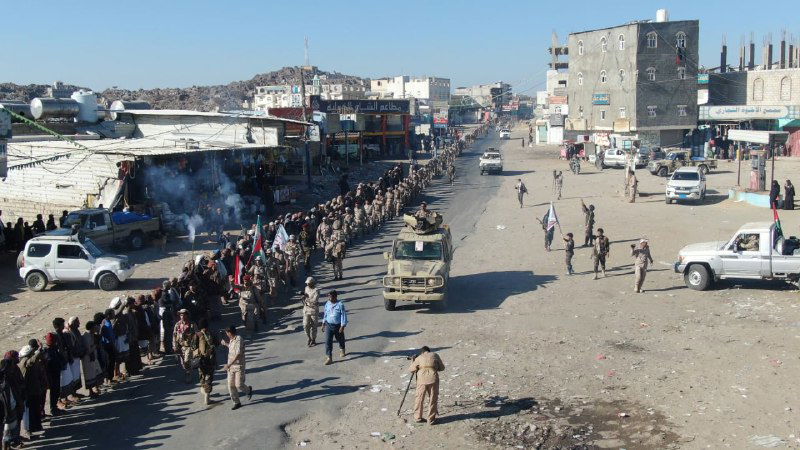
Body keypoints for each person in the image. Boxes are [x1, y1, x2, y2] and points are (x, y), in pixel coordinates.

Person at [407, 346, 445, 425]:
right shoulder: (435, 355)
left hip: (421, 380)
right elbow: (442, 368)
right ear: (429, 351)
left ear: (422, 352)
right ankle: (431, 419)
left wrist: (413, 361)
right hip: (433, 379)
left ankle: (417, 417)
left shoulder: (419, 357)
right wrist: (434, 367)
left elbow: (411, 369)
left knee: (419, 398)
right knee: (433, 399)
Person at [221, 326, 252, 410]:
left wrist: (229, 364)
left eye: (227, 333)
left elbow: (238, 354)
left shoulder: (239, 339)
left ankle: (248, 390)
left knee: (238, 384)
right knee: (231, 385)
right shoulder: (231, 340)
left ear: (230, 332)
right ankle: (236, 402)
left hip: (238, 365)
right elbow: (232, 348)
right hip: (231, 367)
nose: (227, 335)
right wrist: (225, 344)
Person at [322, 291, 347, 366]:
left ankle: (342, 349)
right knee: (328, 341)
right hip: (329, 325)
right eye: (329, 297)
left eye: (331, 297)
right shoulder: (327, 304)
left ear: (335, 297)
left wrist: (342, 326)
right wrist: (323, 323)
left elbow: (343, 316)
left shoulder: (340, 305)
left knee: (340, 339)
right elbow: (325, 313)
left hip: (338, 326)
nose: (329, 298)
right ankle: (329, 357)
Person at [195, 319, 216, 406]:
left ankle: (205, 393)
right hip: (210, 359)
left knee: (202, 377)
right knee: (209, 377)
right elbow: (216, 343)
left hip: (201, 359)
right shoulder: (212, 333)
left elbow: (193, 347)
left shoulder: (197, 334)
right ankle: (207, 396)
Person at [302, 277, 320, 347]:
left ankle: (313, 339)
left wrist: (307, 298)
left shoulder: (316, 290)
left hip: (313, 310)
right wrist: (303, 297)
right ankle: (308, 338)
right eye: (307, 283)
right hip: (306, 309)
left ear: (312, 283)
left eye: (309, 283)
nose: (308, 284)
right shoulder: (306, 288)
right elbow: (305, 296)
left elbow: (315, 300)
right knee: (305, 325)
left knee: (314, 326)